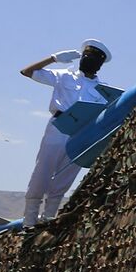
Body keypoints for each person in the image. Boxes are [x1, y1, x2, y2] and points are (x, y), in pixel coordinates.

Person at [19, 39, 113, 228]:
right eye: (86, 55)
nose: (87, 59)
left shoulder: (103, 89)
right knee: (43, 172)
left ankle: (48, 219)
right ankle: (29, 222)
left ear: (100, 64)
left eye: (92, 57)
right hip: (59, 126)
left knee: (65, 177)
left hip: (82, 132)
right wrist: (53, 58)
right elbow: (27, 72)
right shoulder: (64, 76)